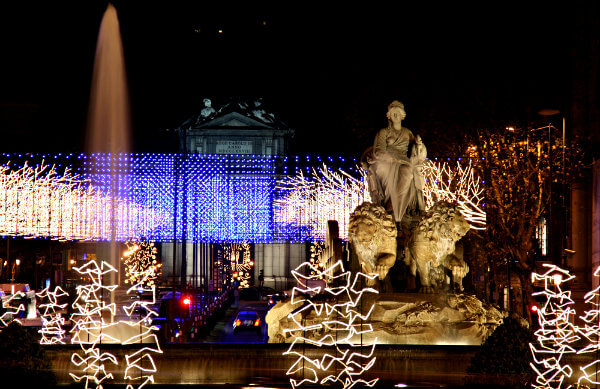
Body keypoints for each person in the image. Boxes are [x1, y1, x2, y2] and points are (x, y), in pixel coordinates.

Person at [368, 100, 427, 224]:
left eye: (398, 112)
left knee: (407, 171)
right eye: (393, 112)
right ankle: (392, 206)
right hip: (388, 160)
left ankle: (392, 206)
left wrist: (419, 146)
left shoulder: (407, 133)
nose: (395, 115)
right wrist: (388, 157)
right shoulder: (383, 132)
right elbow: (378, 150)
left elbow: (416, 154)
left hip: (404, 162)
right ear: (389, 115)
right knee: (386, 169)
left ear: (402, 115)